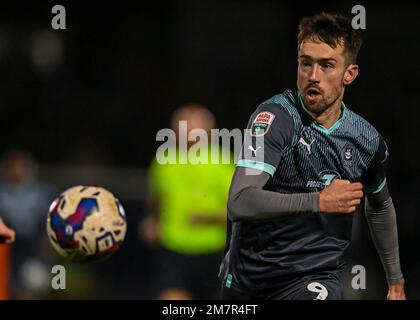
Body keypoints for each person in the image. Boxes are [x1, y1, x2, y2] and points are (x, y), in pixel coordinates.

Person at [219, 12, 405, 300]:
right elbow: (240, 201)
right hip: (250, 281)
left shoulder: (366, 140)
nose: (313, 76)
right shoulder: (275, 118)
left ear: (349, 74)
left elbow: (380, 206)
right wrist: (319, 201)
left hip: (315, 277)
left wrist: (395, 281)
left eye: (326, 65)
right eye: (306, 63)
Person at [140, 104, 235, 299]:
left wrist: (208, 218)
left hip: (214, 251)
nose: (190, 132)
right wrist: (152, 220)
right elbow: (156, 198)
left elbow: (239, 211)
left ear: (209, 130)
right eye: (184, 126)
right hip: (173, 249)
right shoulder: (164, 160)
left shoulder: (224, 162)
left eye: (195, 126)